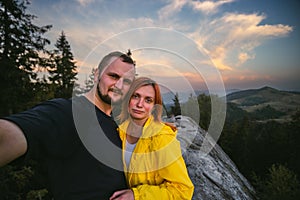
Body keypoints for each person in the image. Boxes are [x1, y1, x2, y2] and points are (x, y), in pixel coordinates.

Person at [0, 51, 136, 199]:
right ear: (97, 75)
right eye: (113, 76)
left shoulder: (116, 125)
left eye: (127, 81)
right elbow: (10, 134)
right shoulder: (68, 112)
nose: (120, 85)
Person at [110, 77, 194, 200]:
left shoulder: (161, 138)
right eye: (136, 96)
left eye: (148, 100)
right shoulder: (119, 132)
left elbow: (183, 191)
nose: (140, 104)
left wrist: (137, 195)